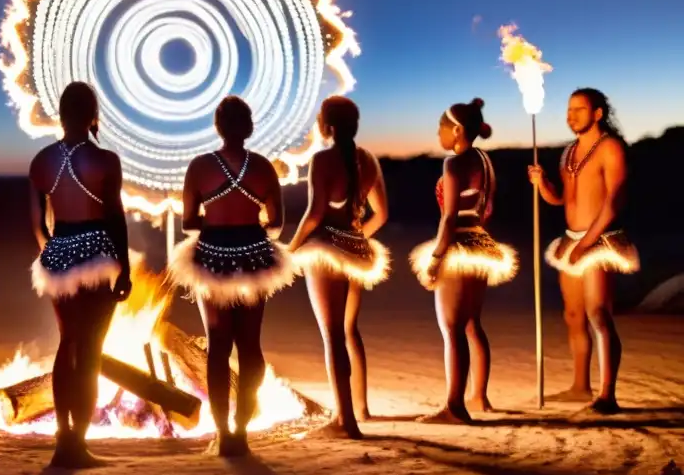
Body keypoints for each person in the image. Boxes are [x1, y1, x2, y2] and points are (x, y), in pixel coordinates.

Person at [168, 95, 294, 456]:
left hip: (213, 255)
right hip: (253, 253)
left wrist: (217, 220)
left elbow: (189, 222)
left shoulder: (199, 167)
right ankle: (242, 426)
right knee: (251, 344)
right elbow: (278, 223)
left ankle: (223, 431)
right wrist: (247, 222)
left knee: (218, 346)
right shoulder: (264, 167)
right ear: (249, 126)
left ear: (218, 127)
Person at [28, 81, 131, 468]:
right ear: (92, 115)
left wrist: (54, 255)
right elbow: (114, 217)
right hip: (97, 256)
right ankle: (79, 442)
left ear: (61, 113)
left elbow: (37, 225)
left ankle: (63, 439)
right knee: (90, 350)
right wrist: (124, 267)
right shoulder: (105, 160)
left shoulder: (41, 161)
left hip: (59, 253)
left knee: (66, 342)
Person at [528, 88, 637, 415]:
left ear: (598, 113)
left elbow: (613, 202)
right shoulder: (569, 152)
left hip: (599, 241)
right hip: (571, 239)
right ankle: (580, 386)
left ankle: (607, 396)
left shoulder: (610, 148)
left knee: (598, 315)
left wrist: (587, 244)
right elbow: (562, 199)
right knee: (573, 316)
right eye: (568, 109)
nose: (570, 115)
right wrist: (543, 184)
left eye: (578, 109)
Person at [409, 98, 518, 424]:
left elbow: (449, 217)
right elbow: (486, 210)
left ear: (456, 129)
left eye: (441, 129)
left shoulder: (454, 164)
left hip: (459, 244)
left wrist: (436, 259)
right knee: (472, 325)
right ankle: (479, 396)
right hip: (481, 242)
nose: (439, 135)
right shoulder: (484, 160)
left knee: (452, 327)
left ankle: (454, 407)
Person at [287, 96, 389, 438]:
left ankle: (346, 421)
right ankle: (360, 408)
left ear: (328, 127)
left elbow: (315, 213)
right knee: (349, 331)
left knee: (332, 336)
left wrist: (292, 248)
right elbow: (382, 214)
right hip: (354, 252)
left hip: (326, 252)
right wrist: (356, 238)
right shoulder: (368, 161)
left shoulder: (322, 160)